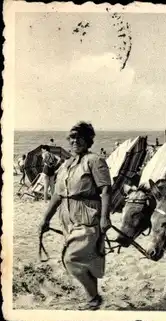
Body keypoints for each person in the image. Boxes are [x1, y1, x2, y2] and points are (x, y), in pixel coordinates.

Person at [39, 121, 112, 310]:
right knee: (87, 260)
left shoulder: (95, 161)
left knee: (71, 259)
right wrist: (46, 218)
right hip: (67, 219)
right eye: (71, 137)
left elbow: (105, 190)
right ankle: (93, 301)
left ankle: (94, 298)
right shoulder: (65, 165)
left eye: (79, 137)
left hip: (88, 216)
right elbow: (57, 194)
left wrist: (105, 218)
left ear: (88, 140)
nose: (74, 141)